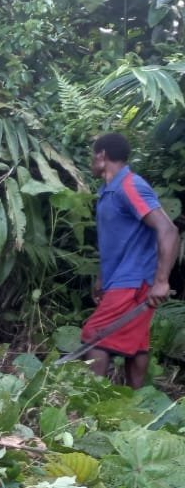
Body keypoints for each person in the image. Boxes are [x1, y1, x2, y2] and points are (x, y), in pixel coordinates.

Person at [81, 132, 179, 388]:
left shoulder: (130, 185)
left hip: (135, 280)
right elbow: (117, 240)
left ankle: (88, 406)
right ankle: (137, 405)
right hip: (122, 280)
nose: (91, 161)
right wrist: (103, 278)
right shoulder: (108, 191)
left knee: (94, 336)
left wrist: (161, 281)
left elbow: (168, 230)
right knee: (136, 344)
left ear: (102, 155)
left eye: (93, 155)